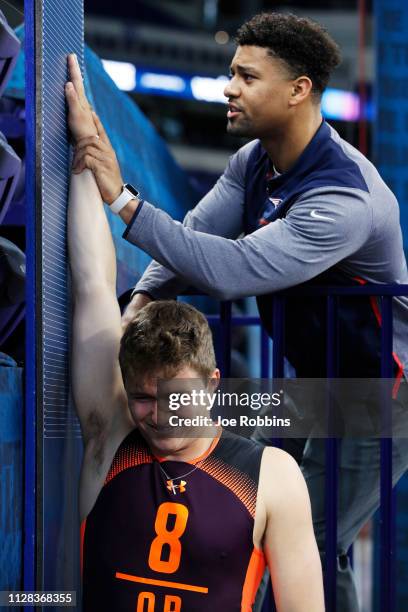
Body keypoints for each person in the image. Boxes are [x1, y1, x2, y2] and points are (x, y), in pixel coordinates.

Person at [66, 11, 408, 611]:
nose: (229, 87)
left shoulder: (347, 198)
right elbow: (194, 238)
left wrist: (121, 198)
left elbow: (229, 270)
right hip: (321, 380)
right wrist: (137, 307)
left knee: (317, 538)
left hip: (387, 393)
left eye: (247, 76)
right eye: (231, 73)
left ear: (299, 90)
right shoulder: (253, 161)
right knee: (278, 495)